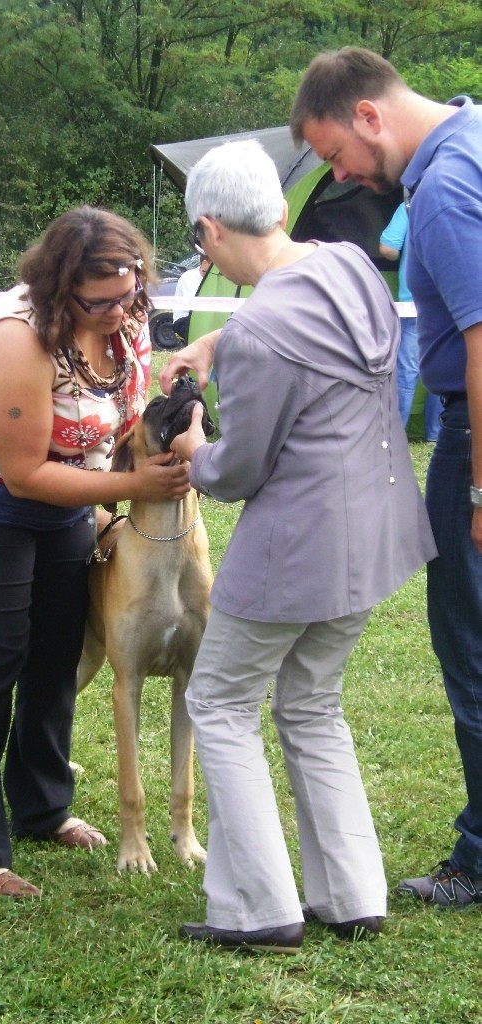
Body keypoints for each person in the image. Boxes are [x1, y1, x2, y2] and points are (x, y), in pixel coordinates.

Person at [158, 138, 436, 954]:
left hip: (293, 554)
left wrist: (190, 447)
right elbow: (302, 336)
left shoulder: (260, 335)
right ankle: (352, 897)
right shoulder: (349, 267)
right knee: (312, 705)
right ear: (279, 210)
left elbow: (235, 473)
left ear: (207, 233)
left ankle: (255, 907)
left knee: (219, 702)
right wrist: (216, 341)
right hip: (376, 535)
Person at [0, 206, 190, 899]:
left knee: (56, 651)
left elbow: (119, 417)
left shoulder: (127, 318)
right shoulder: (18, 336)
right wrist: (128, 488)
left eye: (127, 293)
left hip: (71, 495)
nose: (117, 310)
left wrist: (104, 499)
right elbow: (22, 474)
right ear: (59, 286)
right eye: (96, 300)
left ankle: (42, 807)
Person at [290, 46, 482, 909]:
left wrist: (479, 487)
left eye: (335, 154)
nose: (342, 175)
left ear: (369, 115)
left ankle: (479, 859)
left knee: (472, 650)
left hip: (473, 434)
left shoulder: (440, 190)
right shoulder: (473, 133)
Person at [378, 202, 440, 442]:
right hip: (453, 299)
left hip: (414, 301)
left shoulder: (409, 205)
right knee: (446, 366)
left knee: (406, 370)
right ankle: (437, 433)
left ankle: (396, 433)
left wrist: (404, 253)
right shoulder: (467, 194)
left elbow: (386, 249)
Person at [172, 254, 211, 341]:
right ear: (205, 263)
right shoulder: (188, 277)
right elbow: (195, 307)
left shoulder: (212, 279)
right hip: (183, 320)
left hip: (204, 319)